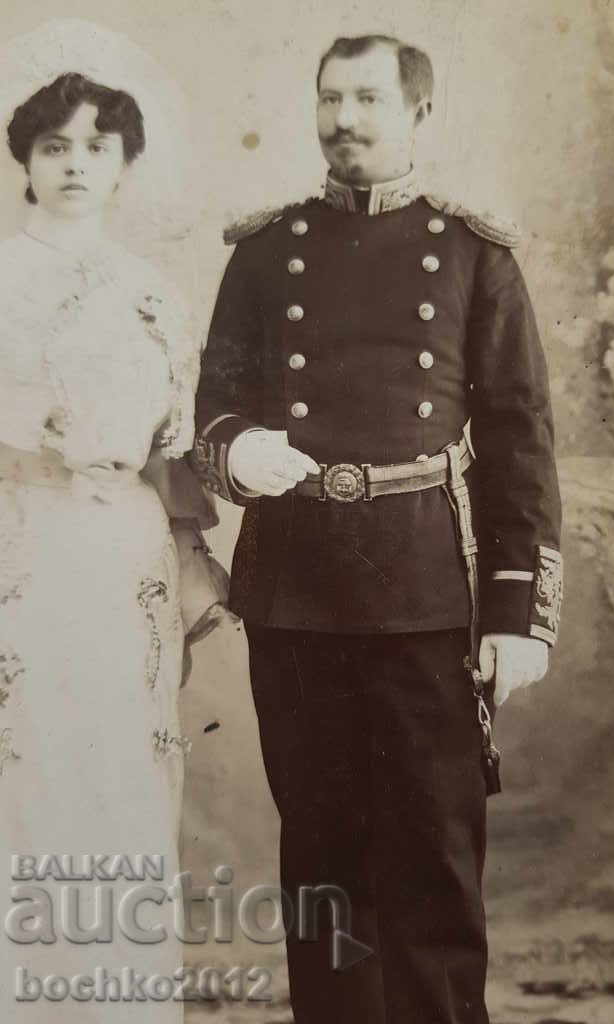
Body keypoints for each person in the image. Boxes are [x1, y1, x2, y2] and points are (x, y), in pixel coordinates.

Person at [194, 34, 563, 1024]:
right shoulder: (265, 253)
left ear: (418, 113)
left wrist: (519, 615)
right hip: (297, 595)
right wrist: (237, 451)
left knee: (434, 859)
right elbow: (213, 408)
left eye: (366, 98)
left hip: (427, 597)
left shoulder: (475, 254)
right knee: (323, 863)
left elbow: (521, 443)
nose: (344, 119)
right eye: (330, 98)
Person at [0, 72, 226, 1021]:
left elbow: (173, 453)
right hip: (21, 542)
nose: (75, 165)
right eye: (55, 146)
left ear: (126, 161)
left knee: (125, 776)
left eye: (96, 147)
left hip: (126, 561)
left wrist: (190, 558)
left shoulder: (152, 294)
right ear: (25, 159)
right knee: (29, 771)